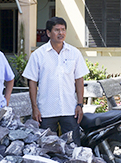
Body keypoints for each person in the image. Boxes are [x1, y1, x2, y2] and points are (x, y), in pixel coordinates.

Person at [22, 16, 88, 144]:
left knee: (73, 146)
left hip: (69, 109)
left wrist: (80, 104)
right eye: (57, 30)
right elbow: (32, 82)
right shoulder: (38, 54)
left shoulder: (74, 53)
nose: (61, 33)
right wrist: (34, 108)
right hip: (46, 110)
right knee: (46, 147)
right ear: (48, 33)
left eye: (63, 30)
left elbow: (79, 80)